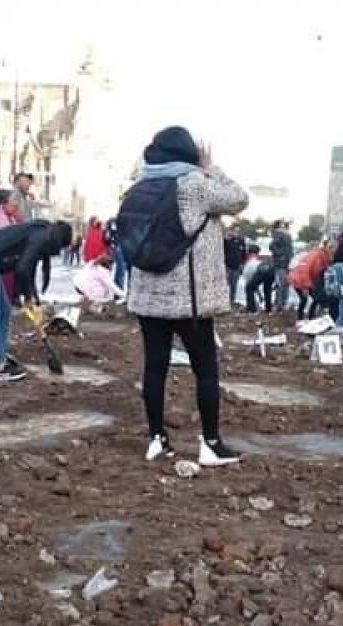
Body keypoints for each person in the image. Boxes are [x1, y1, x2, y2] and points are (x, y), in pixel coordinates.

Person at [125, 125, 248, 466]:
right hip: (188, 300)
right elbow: (239, 198)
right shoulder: (194, 184)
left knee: (155, 367)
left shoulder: (141, 185)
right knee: (205, 370)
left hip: (148, 297)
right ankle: (210, 444)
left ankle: (156, 439)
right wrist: (211, 167)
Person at [0, 219, 73, 382]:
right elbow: (22, 269)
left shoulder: (42, 235)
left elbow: (28, 271)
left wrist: (33, 298)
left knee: (5, 310)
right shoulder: (41, 236)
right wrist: (28, 296)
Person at [289, 239, 334, 320]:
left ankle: (310, 317)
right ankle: (300, 319)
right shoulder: (316, 255)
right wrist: (305, 287)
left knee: (316, 298)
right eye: (331, 248)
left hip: (307, 280)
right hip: (299, 280)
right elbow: (304, 269)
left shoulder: (324, 257)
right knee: (304, 299)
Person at [242, 245, 276, 314]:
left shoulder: (250, 263)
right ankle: (268, 309)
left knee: (248, 288)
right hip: (271, 270)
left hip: (262, 270)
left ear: (249, 253)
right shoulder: (263, 257)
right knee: (267, 290)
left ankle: (252, 309)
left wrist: (256, 291)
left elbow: (249, 281)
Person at [270, 220, 294, 309]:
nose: (284, 225)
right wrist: (281, 255)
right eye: (282, 224)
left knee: (286, 283)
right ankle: (279, 303)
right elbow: (272, 246)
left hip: (287, 263)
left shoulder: (286, 234)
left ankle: (284, 302)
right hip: (281, 264)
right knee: (280, 284)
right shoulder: (278, 234)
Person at [223, 228, 246, 305]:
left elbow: (244, 253)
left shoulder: (241, 242)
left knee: (234, 285)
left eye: (237, 231)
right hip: (228, 266)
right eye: (234, 231)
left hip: (237, 266)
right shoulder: (226, 241)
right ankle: (225, 300)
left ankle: (231, 300)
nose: (235, 233)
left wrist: (242, 263)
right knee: (226, 284)